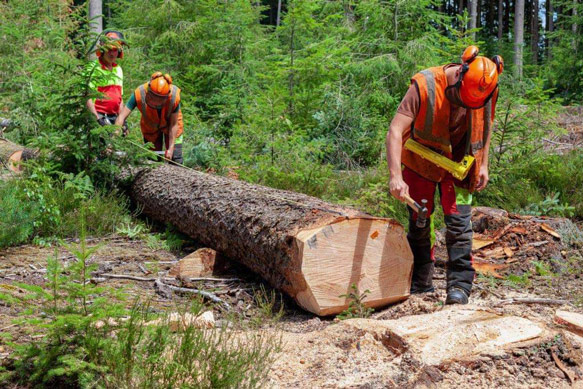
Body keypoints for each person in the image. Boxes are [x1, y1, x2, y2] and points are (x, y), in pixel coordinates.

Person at [386, 46, 504, 305]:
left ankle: (460, 287)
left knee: (460, 223)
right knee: (419, 220)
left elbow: (487, 124)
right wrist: (396, 176)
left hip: (461, 165)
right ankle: (420, 281)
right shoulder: (424, 85)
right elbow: (395, 131)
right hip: (421, 162)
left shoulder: (487, 87)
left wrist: (483, 163)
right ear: (461, 73)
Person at [115, 72, 184, 164]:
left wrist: (171, 148)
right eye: (154, 97)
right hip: (150, 129)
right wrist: (113, 139)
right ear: (149, 90)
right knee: (153, 160)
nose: (156, 102)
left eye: (160, 99)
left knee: (176, 158)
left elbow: (174, 124)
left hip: (172, 128)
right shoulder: (139, 93)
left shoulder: (174, 97)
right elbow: (121, 117)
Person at [85, 30, 127, 126]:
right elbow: (87, 97)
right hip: (98, 116)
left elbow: (120, 99)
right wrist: (97, 119)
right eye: (109, 49)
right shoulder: (92, 67)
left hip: (115, 118)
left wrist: (123, 121)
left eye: (115, 50)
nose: (112, 53)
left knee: (117, 140)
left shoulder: (118, 69)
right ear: (103, 50)